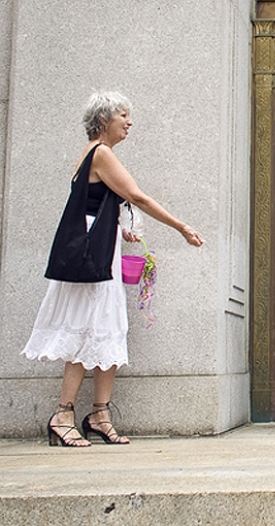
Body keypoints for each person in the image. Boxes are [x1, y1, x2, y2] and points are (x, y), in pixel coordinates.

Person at [23, 92, 204, 447]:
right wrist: (181, 226)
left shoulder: (98, 154)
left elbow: (95, 206)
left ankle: (100, 414)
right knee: (85, 331)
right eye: (124, 115)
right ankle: (63, 413)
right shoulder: (100, 153)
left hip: (101, 257)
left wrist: (122, 231)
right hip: (92, 262)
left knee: (108, 330)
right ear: (104, 120)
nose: (130, 122)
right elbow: (137, 197)